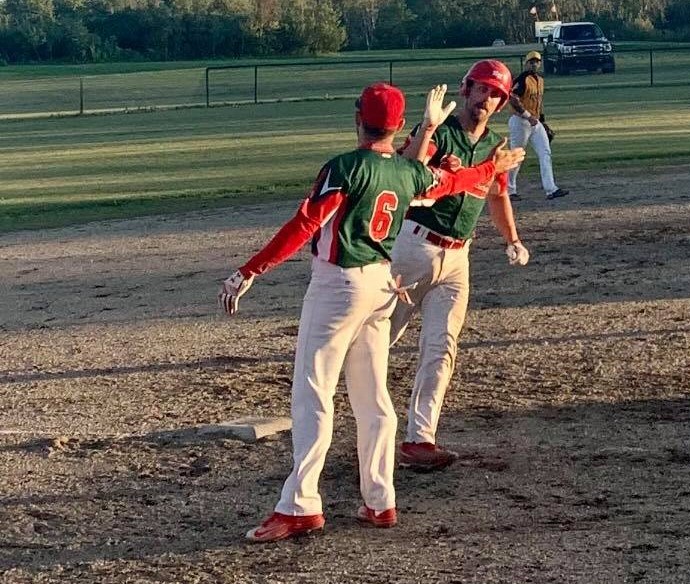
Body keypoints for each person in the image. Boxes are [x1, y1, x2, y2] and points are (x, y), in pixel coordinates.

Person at [218, 82, 525, 543]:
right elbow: (451, 185)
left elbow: (305, 225)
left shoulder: (345, 167)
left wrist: (249, 270)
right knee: (373, 399)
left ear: (357, 119)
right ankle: (380, 501)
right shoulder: (405, 173)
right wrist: (488, 166)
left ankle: (300, 505)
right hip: (381, 287)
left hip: (338, 286)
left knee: (313, 396)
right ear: (399, 126)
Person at [391, 60, 530, 472]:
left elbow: (496, 195)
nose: (487, 100)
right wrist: (428, 129)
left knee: (441, 349)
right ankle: (325, 406)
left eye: (496, 95)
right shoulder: (441, 130)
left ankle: (420, 439)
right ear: (466, 89)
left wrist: (513, 239)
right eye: (482, 90)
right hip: (413, 248)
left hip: (458, 257)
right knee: (378, 339)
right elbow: (410, 171)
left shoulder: (494, 145)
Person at [507, 50, 569, 201]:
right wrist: (528, 116)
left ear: (540, 63)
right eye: (531, 61)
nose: (534, 64)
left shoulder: (540, 80)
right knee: (517, 156)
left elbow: (538, 104)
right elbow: (512, 99)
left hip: (535, 122)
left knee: (545, 152)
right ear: (526, 63)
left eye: (537, 61)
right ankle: (509, 190)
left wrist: (543, 121)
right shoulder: (522, 79)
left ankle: (551, 189)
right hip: (520, 122)